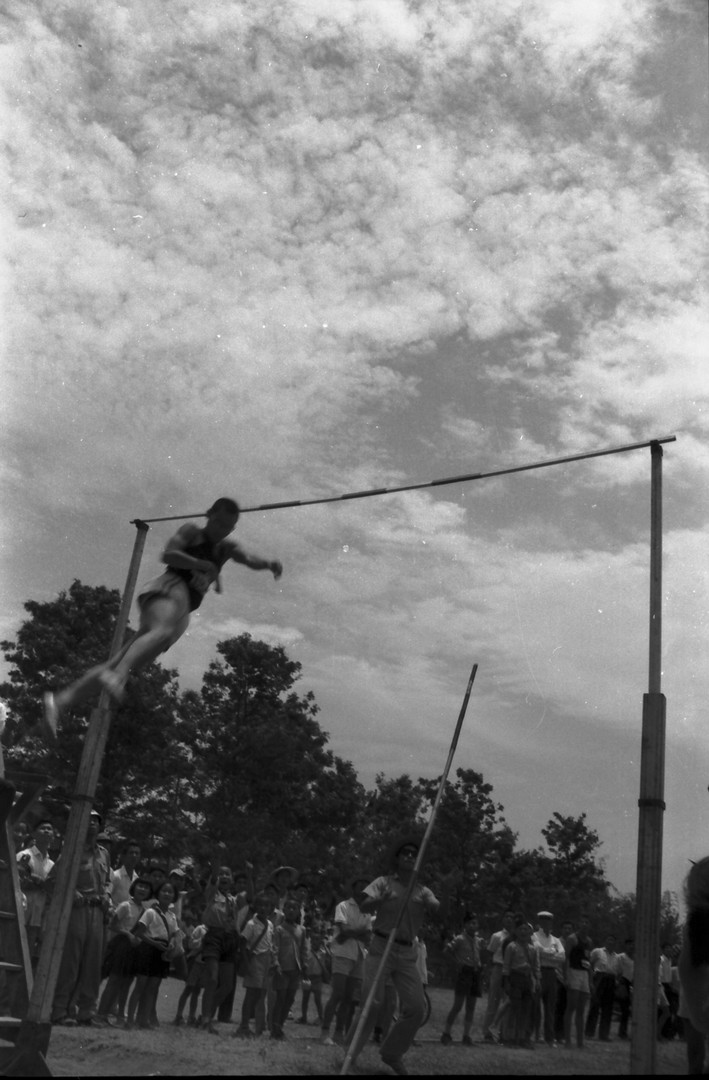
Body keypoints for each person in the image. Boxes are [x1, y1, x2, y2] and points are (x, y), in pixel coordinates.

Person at [42, 497, 283, 737]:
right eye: (218, 523)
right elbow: (168, 555)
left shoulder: (226, 548)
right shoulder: (192, 532)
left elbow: (248, 559)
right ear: (209, 515)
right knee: (159, 632)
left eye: (227, 527)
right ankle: (117, 676)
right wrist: (200, 563)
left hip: (184, 609)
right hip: (169, 588)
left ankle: (59, 702)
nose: (221, 530)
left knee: (126, 658)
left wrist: (268, 564)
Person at [346, 834, 441, 1076]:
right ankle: (350, 1054)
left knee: (416, 1008)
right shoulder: (383, 882)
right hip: (381, 946)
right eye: (405, 853)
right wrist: (381, 898)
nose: (409, 856)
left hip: (407, 951)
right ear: (397, 859)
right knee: (372, 1003)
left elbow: (437, 908)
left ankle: (391, 1053)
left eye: (414, 854)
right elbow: (364, 905)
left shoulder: (422, 890)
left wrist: (437, 901)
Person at [50, 809, 112, 1027]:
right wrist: (71, 891)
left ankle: (87, 1011)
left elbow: (107, 881)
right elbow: (54, 879)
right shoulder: (71, 850)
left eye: (96, 821)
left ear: (100, 826)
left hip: (97, 910)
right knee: (71, 961)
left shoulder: (104, 854)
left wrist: (107, 896)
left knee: (93, 963)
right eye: (88, 820)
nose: (92, 824)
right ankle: (60, 1009)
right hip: (76, 910)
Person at [320, 875, 372, 1046]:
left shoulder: (368, 911)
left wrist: (351, 932)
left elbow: (367, 936)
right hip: (342, 954)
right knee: (338, 993)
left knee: (349, 998)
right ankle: (325, 1031)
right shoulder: (343, 906)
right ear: (354, 887)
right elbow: (343, 930)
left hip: (359, 954)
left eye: (366, 885)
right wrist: (356, 933)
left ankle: (339, 1032)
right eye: (360, 885)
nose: (363, 888)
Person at [96, 877, 153, 1025]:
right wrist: (128, 934)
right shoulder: (125, 906)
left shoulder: (145, 911)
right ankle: (101, 1014)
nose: (142, 889)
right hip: (122, 946)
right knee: (114, 980)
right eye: (140, 886)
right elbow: (112, 925)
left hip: (134, 949)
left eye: (146, 888)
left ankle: (120, 1015)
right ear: (134, 888)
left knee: (127, 982)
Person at [127, 880, 181, 1029]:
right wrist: (154, 944)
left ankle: (144, 1020)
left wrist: (172, 943)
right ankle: (130, 1019)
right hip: (148, 950)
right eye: (164, 891)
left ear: (174, 896)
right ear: (158, 894)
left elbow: (175, 933)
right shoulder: (150, 912)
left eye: (170, 892)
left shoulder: (172, 916)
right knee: (140, 985)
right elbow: (139, 933)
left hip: (162, 952)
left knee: (152, 987)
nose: (167, 894)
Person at [198, 865, 242, 1033]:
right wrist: (215, 866)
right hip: (214, 936)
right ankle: (206, 1019)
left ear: (232, 879)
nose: (224, 876)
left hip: (230, 938)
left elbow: (250, 898)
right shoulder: (212, 894)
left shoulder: (233, 899)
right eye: (221, 874)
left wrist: (249, 873)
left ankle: (206, 1014)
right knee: (213, 979)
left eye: (227, 874)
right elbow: (213, 880)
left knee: (227, 985)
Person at [234, 893, 275, 1039]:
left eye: (267, 906)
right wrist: (247, 964)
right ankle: (243, 1025)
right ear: (255, 907)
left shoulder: (270, 924)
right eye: (260, 905)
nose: (263, 908)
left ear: (271, 908)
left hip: (266, 961)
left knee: (259, 994)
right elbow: (243, 943)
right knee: (251, 994)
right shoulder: (251, 924)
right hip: (255, 960)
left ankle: (250, 1024)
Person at [440, 912, 484, 1046]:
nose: (472, 926)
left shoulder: (478, 940)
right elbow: (446, 951)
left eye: (475, 923)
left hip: (475, 972)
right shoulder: (459, 939)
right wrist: (456, 964)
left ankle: (466, 1035)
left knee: (471, 1006)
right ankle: (446, 1033)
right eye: (469, 923)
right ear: (465, 925)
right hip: (464, 972)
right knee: (458, 1005)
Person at [16, 820, 55, 968]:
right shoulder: (24, 855)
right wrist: (40, 882)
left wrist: (35, 879)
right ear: (34, 834)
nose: (46, 831)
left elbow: (52, 889)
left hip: (38, 917)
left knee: (27, 957)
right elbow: (18, 881)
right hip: (20, 912)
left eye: (49, 829)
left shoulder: (52, 865)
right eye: (42, 828)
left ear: (53, 837)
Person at [271, 898, 310, 1039]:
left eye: (295, 908)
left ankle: (280, 1026)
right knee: (280, 999)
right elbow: (275, 948)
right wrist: (276, 964)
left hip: (296, 969)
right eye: (289, 908)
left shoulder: (302, 930)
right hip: (282, 969)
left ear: (299, 912)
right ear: (284, 910)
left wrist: (305, 965)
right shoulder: (279, 929)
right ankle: (275, 1028)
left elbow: (304, 949)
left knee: (289, 1000)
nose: (291, 911)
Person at [501, 920, 540, 1049]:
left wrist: (537, 980)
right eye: (521, 929)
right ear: (516, 932)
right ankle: (510, 1037)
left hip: (527, 979)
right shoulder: (511, 947)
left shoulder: (532, 949)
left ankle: (522, 1038)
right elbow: (506, 966)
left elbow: (536, 967)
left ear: (530, 932)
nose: (523, 932)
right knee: (514, 1009)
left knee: (526, 1010)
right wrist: (506, 982)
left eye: (526, 929)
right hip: (515, 978)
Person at [481, 909, 515, 1043]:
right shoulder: (497, 936)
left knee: (507, 1002)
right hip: (498, 968)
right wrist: (487, 972)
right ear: (503, 919)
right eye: (507, 917)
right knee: (493, 1002)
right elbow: (490, 954)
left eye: (511, 917)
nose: (509, 919)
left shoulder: (515, 937)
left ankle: (503, 1033)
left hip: (510, 971)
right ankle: (487, 1032)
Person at [532, 910, 564, 1047]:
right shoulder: (534, 936)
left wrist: (547, 954)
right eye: (543, 920)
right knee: (535, 1006)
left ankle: (549, 1037)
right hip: (539, 971)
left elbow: (562, 957)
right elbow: (537, 951)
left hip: (552, 973)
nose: (546, 923)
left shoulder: (556, 940)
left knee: (550, 1007)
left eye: (548, 920)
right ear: (539, 921)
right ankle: (536, 1035)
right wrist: (552, 954)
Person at [563, 915, 593, 1049]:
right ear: (579, 925)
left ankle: (580, 1041)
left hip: (584, 973)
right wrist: (566, 976)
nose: (584, 924)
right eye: (582, 922)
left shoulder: (589, 941)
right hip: (573, 971)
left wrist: (590, 979)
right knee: (571, 1007)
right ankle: (567, 1040)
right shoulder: (572, 939)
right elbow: (566, 958)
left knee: (581, 1009)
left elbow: (588, 961)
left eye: (587, 922)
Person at [585, 933, 619, 1041]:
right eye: (609, 940)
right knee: (595, 1005)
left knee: (608, 1008)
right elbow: (589, 965)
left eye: (613, 940)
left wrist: (616, 981)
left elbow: (619, 972)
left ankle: (604, 1034)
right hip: (599, 978)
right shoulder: (597, 951)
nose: (611, 942)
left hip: (611, 979)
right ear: (605, 941)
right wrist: (591, 980)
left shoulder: (617, 957)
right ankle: (589, 1032)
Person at [109, 841, 142, 908]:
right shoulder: (115, 876)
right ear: (124, 856)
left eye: (136, 853)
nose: (134, 856)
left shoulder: (137, 879)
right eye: (131, 853)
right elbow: (107, 896)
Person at [616, 939, 634, 1040]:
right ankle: (622, 1032)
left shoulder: (636, 958)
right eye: (629, 945)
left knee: (631, 1010)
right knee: (624, 1009)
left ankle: (630, 1032)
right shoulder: (621, 957)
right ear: (626, 946)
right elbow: (618, 971)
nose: (631, 947)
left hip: (633, 984)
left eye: (632, 945)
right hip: (623, 983)